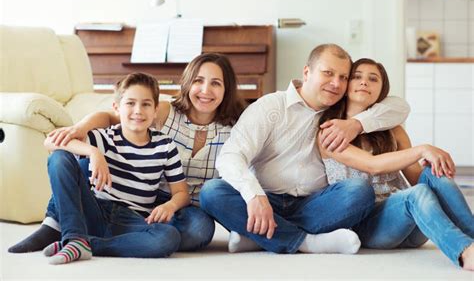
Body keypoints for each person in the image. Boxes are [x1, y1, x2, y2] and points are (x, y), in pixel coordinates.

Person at [9, 53, 245, 254]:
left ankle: (87, 241)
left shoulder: (235, 128)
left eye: (216, 83)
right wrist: (82, 134)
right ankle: (57, 225)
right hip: (136, 194)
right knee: (76, 162)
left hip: (180, 206)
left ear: (227, 89)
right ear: (187, 84)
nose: (205, 90)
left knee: (199, 230)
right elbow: (111, 119)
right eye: (198, 81)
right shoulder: (164, 111)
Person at [198, 44, 411, 254]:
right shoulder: (270, 106)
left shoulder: (342, 113)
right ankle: (307, 242)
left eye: (343, 77)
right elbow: (230, 156)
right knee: (211, 192)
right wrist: (254, 196)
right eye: (328, 73)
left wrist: (356, 124)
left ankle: (260, 237)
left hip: (315, 204)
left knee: (359, 191)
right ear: (307, 72)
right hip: (266, 197)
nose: (336, 83)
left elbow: (399, 107)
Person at [317, 58, 474, 270]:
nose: (364, 82)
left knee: (433, 175)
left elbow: (415, 177)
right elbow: (372, 165)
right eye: (357, 77)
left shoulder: (393, 129)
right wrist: (421, 149)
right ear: (345, 86)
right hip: (371, 227)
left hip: (411, 223)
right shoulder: (330, 132)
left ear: (382, 91)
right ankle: (464, 252)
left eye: (373, 79)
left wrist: (432, 168)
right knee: (416, 194)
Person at [40, 72, 189, 264]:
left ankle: (82, 244)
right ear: (116, 108)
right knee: (59, 158)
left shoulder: (166, 146)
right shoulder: (105, 138)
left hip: (133, 219)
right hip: (95, 210)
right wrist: (94, 153)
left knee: (169, 237)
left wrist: (170, 205)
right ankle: (75, 236)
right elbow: (51, 142)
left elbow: (181, 192)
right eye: (130, 103)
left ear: (155, 109)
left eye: (146, 104)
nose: (138, 110)